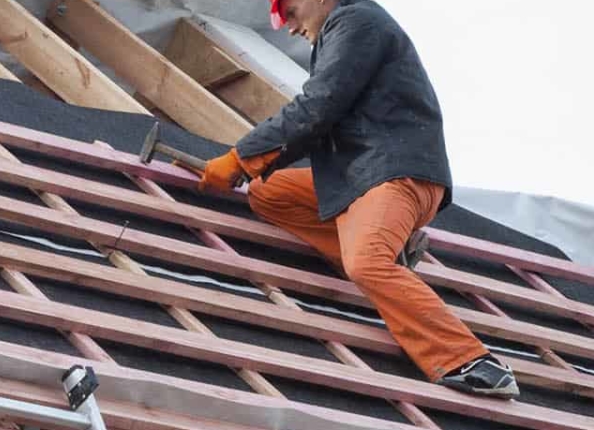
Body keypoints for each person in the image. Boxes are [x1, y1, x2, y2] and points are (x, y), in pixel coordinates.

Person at [197, 0, 518, 398]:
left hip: (394, 174)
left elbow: (317, 108)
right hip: (358, 178)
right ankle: (389, 245)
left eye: (290, 10)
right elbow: (318, 123)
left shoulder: (356, 20)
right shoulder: (342, 31)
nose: (288, 26)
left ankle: (469, 360)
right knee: (268, 192)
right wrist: (253, 166)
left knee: (366, 263)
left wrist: (243, 155)